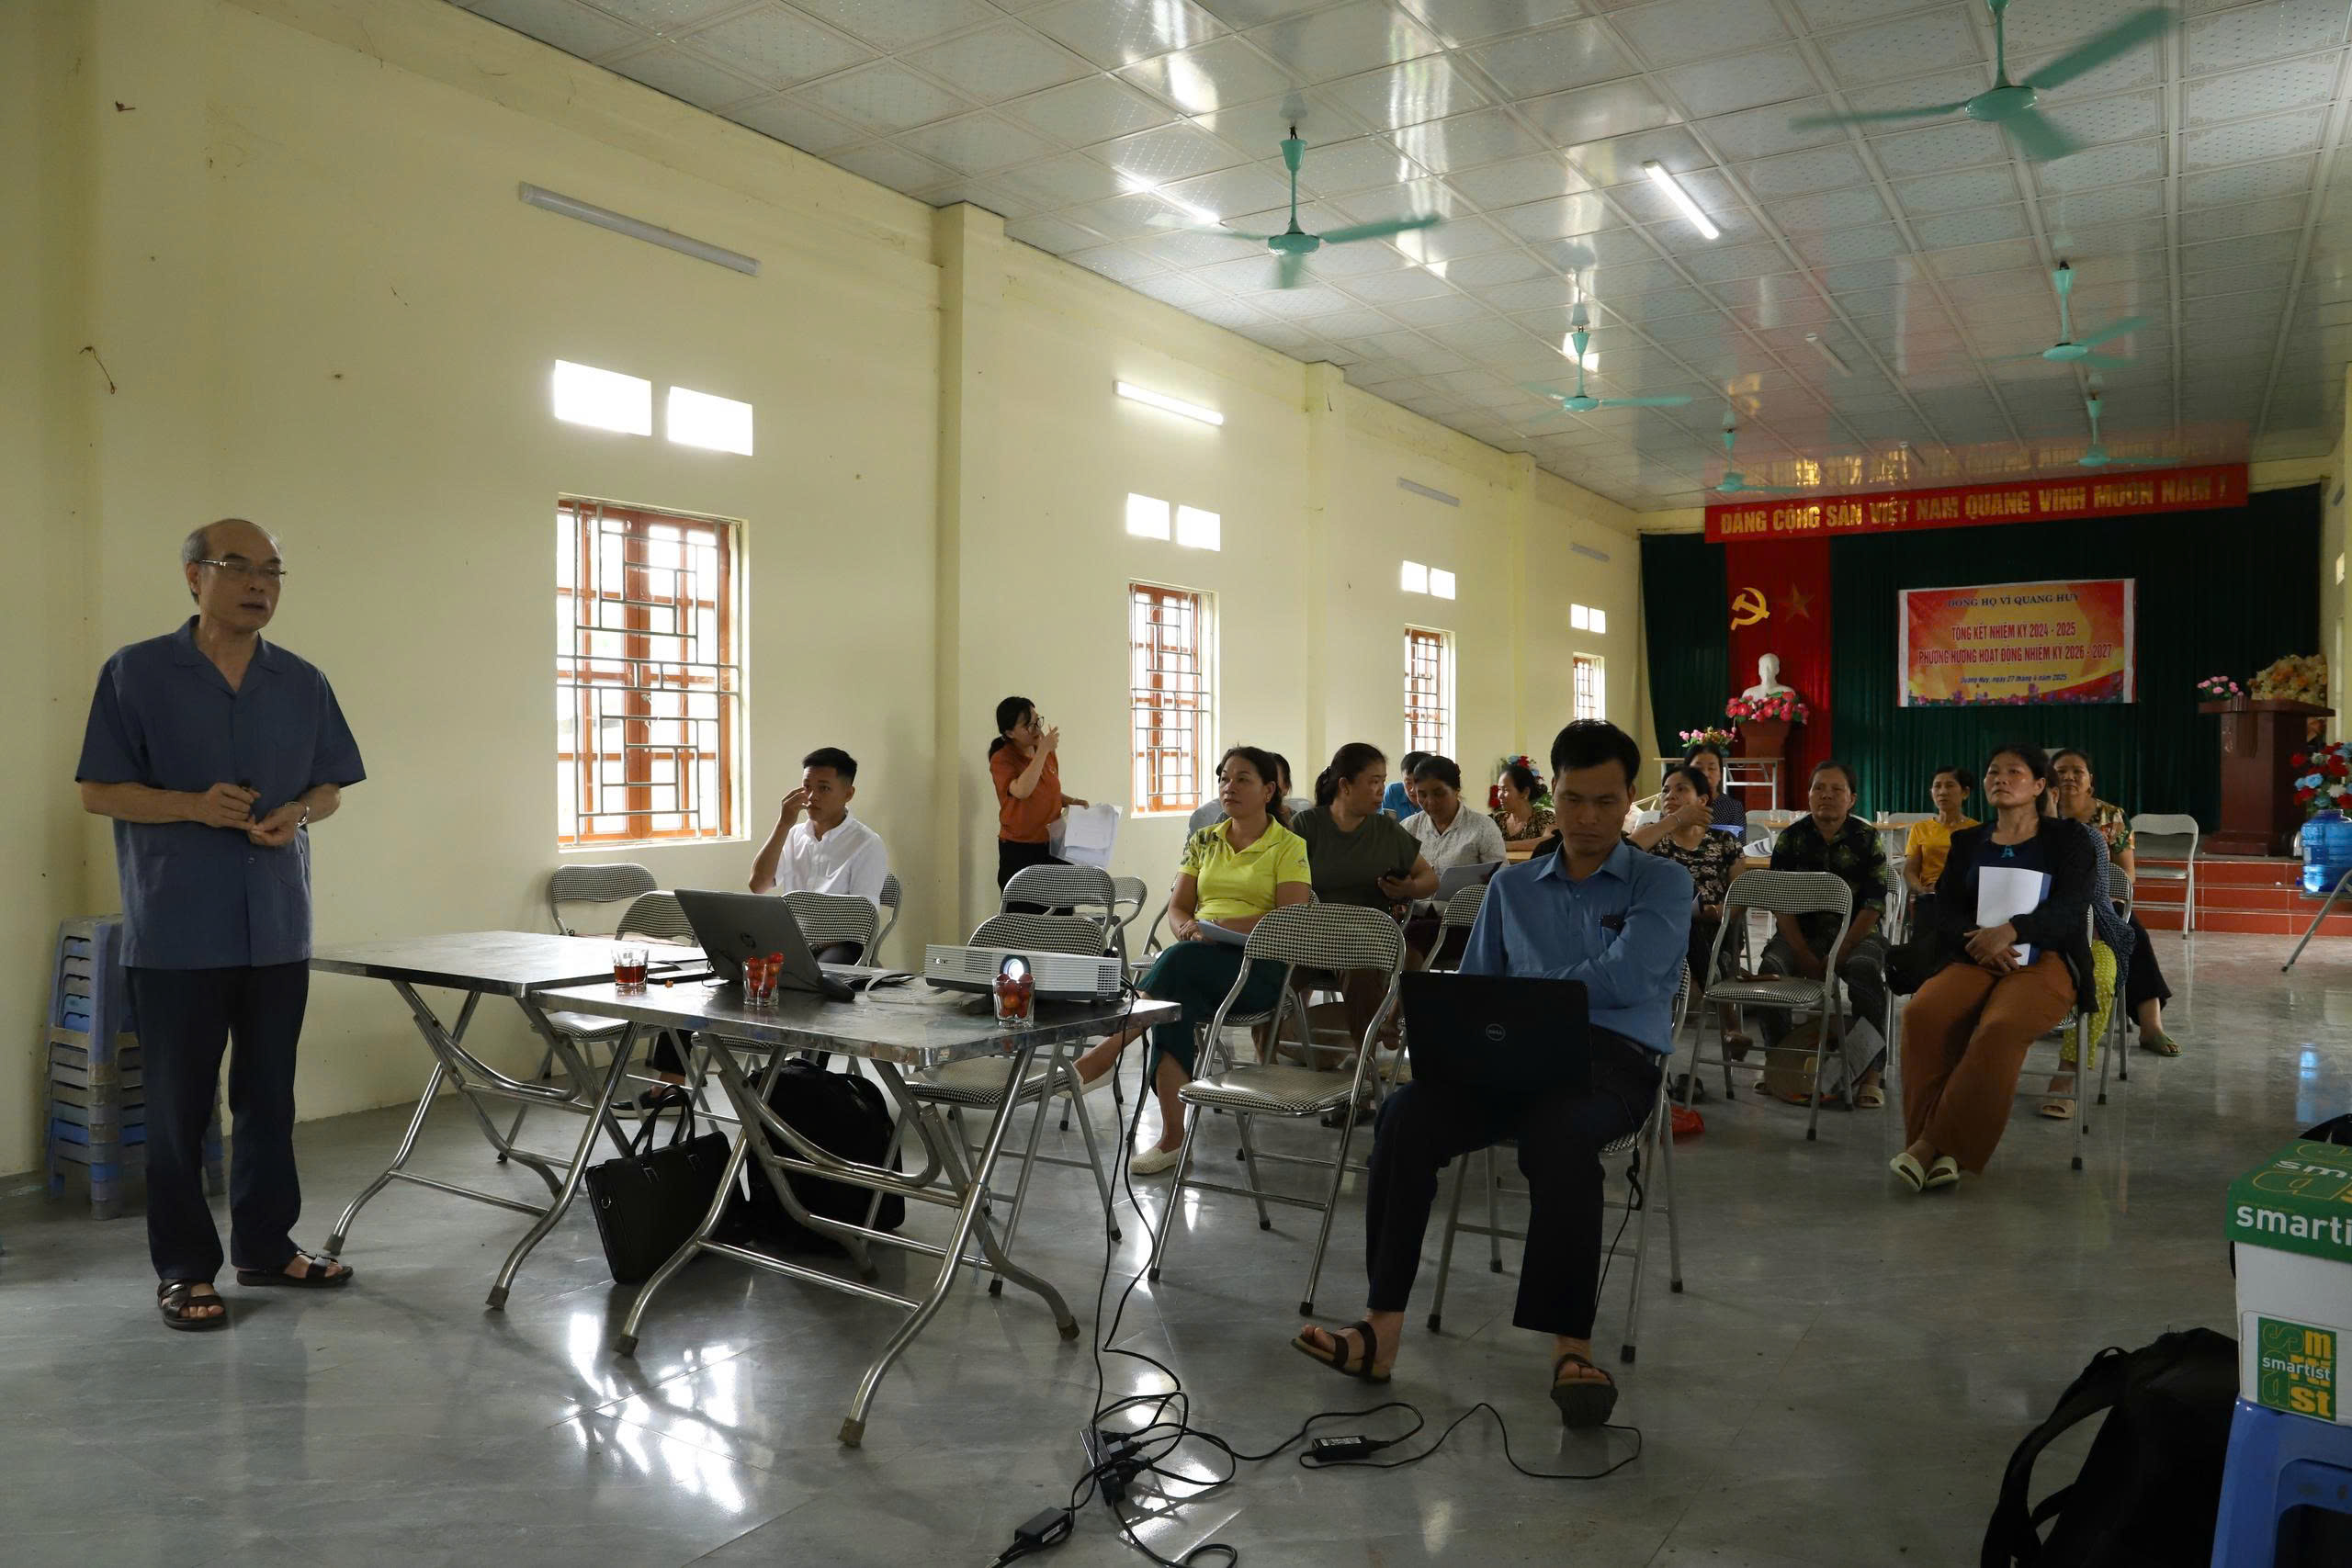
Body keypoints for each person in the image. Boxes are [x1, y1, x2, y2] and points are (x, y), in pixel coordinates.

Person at [1290, 720, 1689, 1428]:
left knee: (1559, 1133)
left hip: (1611, 1062)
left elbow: (1630, 975)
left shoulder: (1662, 882)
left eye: (1605, 801)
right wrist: (1453, 1030)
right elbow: (1480, 989)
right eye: (1574, 799)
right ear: (1553, 795)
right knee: (1406, 1115)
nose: (1587, 818)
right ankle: (1381, 1328)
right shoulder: (1513, 886)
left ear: (1631, 798)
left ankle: (1572, 1348)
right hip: (1512, 1057)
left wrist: (1530, 996)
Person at [75, 520, 366, 1331]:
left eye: (273, 570)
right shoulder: (136, 673)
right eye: (239, 566)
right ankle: (183, 1268)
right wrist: (192, 806)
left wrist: (297, 812)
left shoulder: (301, 681)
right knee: (178, 1107)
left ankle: (267, 1245)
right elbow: (99, 790)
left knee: (269, 1098)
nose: (259, 583)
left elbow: (331, 788)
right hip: (176, 928)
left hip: (276, 923)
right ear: (194, 576)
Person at [1069, 748, 1310, 1174]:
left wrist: (1223, 925)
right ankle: (1172, 1140)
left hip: (1258, 970)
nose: (1229, 787)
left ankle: (1106, 1053)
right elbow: (1178, 906)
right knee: (1172, 1001)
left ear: (1269, 790)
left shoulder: (1289, 846)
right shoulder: (1205, 840)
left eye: (1243, 779)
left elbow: (1289, 917)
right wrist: (1188, 929)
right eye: (1224, 778)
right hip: (1199, 957)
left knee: (1175, 969)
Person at [1894, 744, 2099, 1190]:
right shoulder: (1968, 842)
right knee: (1922, 1014)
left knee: (2000, 1028)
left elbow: (2072, 909)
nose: (2000, 779)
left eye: (2014, 772)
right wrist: (1980, 939)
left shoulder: (2069, 839)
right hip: (1975, 954)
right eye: (1993, 772)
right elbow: (1946, 909)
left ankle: (1932, 1146)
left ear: (2040, 786)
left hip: (2045, 960)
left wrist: (2012, 931)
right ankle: (1933, 1146)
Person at [1288, 744, 1438, 1107]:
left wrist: (1406, 888)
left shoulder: (1386, 830)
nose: (1380, 791)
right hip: (1310, 934)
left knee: (1362, 970)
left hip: (1364, 938)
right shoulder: (1307, 825)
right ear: (1345, 785)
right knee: (1271, 971)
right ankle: (1269, 1071)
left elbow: (1429, 878)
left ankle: (1364, 1078)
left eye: (1382, 782)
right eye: (1373, 782)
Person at [1758, 760, 1891, 1108]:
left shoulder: (1867, 838)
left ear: (1852, 799)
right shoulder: (1791, 838)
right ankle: (1781, 1063)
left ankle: (1871, 1072)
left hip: (1857, 934)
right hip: (1800, 935)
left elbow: (1874, 905)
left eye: (1836, 789)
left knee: (1864, 971)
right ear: (1808, 795)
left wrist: (1841, 951)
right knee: (1771, 969)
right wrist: (1802, 953)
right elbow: (1780, 902)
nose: (1826, 795)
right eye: (1819, 788)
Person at [2049, 748, 2183, 1056]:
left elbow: (2126, 874)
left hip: (2100, 900)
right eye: (2061, 771)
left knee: (2132, 935)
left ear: (2090, 780)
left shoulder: (2111, 816)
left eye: (2077, 771)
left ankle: (2151, 1026)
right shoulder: (2039, 814)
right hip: (2051, 902)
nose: (2069, 777)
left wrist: (2101, 900)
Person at [1644, 764, 1748, 1047]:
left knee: (1693, 929)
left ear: (1702, 800)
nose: (1670, 796)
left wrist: (1719, 912)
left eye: (1681, 789)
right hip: (1663, 926)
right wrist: (1672, 821)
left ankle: (1717, 1012)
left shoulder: (1724, 841)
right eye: (1665, 790)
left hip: (1717, 924)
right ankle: (1729, 1023)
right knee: (1683, 922)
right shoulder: (1653, 836)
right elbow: (1627, 851)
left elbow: (1739, 894)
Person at [748, 748, 888, 914]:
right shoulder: (793, 834)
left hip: (838, 931)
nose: (812, 796)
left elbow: (864, 917)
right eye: (807, 787)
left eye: (824, 788)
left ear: (848, 794)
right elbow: (757, 886)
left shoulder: (866, 843)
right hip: (788, 928)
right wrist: (783, 825)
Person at [1400, 755, 1506, 968]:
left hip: (1465, 924)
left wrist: (1484, 885)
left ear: (1456, 790)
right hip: (1414, 916)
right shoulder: (1409, 827)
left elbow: (1502, 880)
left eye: (1439, 793)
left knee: (1412, 936)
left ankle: (1404, 990)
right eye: (1422, 795)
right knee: (1382, 934)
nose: (1430, 802)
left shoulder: (1482, 827)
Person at [988, 695, 1088, 894]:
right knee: (1025, 909)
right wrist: (1042, 751)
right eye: (1028, 725)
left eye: (1037, 721)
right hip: (1021, 849)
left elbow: (1047, 790)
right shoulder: (1002, 759)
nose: (1036, 729)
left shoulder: (1045, 752)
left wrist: (1071, 801)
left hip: (1054, 843)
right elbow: (1022, 791)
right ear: (1009, 732)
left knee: (1061, 906)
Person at [1902, 765, 1978, 937]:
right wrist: (1921, 890)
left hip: (1963, 898)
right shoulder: (1920, 828)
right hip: (1930, 897)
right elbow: (1910, 870)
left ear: (1965, 792)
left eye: (1950, 785)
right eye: (1937, 786)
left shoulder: (1976, 830)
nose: (1942, 792)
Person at [1681, 742, 1747, 832]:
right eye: (1698, 769)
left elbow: (1739, 840)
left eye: (1711, 768)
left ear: (1720, 774)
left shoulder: (1733, 808)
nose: (1705, 774)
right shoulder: (1676, 802)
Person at [1490, 759, 1554, 851]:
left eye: (1505, 790)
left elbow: (1550, 840)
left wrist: (1506, 845)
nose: (1500, 795)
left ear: (1525, 792)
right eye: (1499, 789)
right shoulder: (1497, 820)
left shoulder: (1543, 817)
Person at [1379, 751, 1430, 820]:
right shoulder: (1392, 792)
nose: (1413, 789)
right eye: (1408, 783)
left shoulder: (1436, 800)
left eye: (1418, 782)